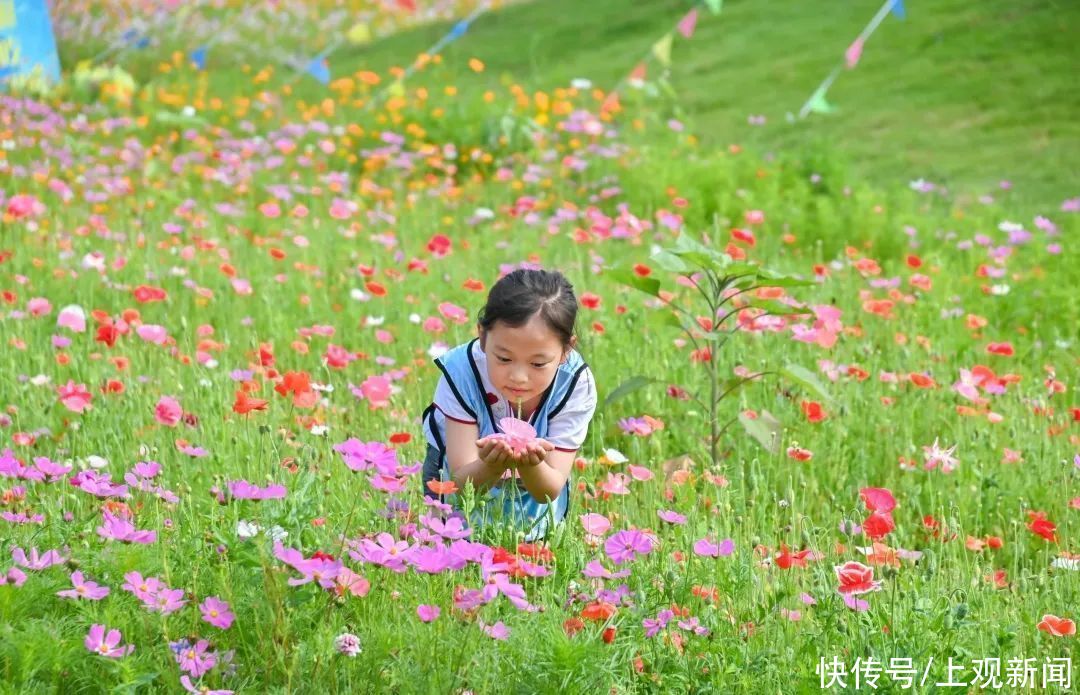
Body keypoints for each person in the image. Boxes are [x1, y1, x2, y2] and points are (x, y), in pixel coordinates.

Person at [421, 268, 597, 540]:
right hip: (459, 474)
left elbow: (548, 490)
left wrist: (529, 464)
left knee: (527, 543)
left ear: (566, 350)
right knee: (450, 541)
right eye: (503, 358)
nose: (518, 377)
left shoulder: (574, 383)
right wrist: (492, 466)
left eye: (538, 364)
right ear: (482, 336)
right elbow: (460, 480)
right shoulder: (461, 371)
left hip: (537, 490)